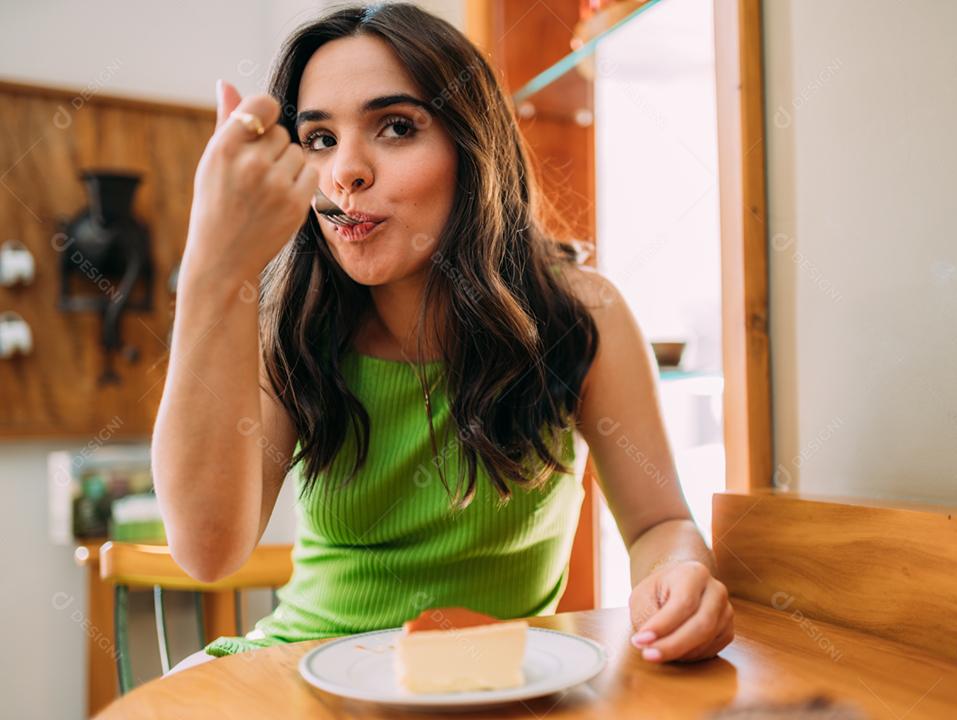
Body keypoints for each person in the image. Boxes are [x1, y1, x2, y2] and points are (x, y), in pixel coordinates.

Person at [155, 2, 733, 678]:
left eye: (396, 127)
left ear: (471, 146)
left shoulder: (581, 314)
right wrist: (211, 268)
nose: (346, 171)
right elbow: (207, 553)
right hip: (298, 674)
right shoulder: (290, 321)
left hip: (491, 685)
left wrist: (681, 576)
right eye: (318, 138)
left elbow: (657, 523)